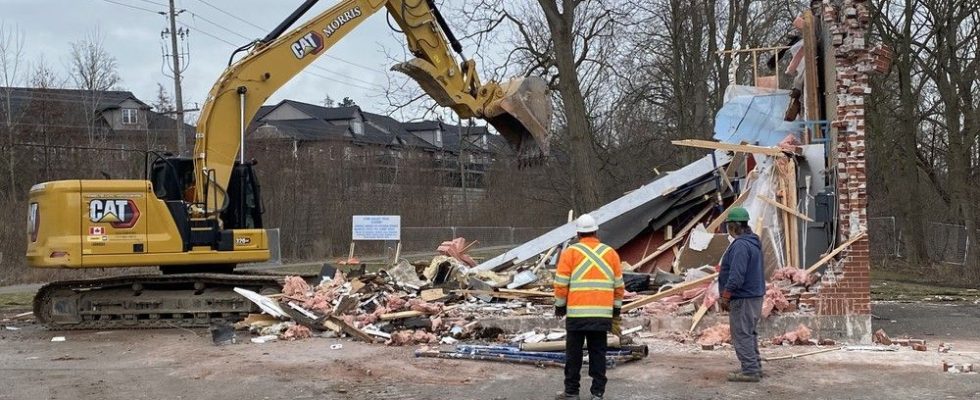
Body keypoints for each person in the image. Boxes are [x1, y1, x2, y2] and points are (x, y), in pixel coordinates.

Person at [554, 214, 624, 400]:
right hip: (601, 315)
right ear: (596, 231)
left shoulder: (570, 252)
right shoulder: (610, 253)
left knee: (574, 355)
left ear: (578, 233)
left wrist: (560, 306)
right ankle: (597, 393)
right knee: (598, 354)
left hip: (577, 314)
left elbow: (561, 283)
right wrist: (615, 311)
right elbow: (619, 286)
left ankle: (571, 392)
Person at [718, 207, 766, 382]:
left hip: (743, 298)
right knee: (749, 333)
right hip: (755, 296)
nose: (728, 230)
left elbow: (737, 276)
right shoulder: (753, 242)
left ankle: (750, 371)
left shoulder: (740, 245)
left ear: (733, 226)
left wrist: (725, 295)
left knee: (742, 334)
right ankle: (755, 367)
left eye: (728, 226)